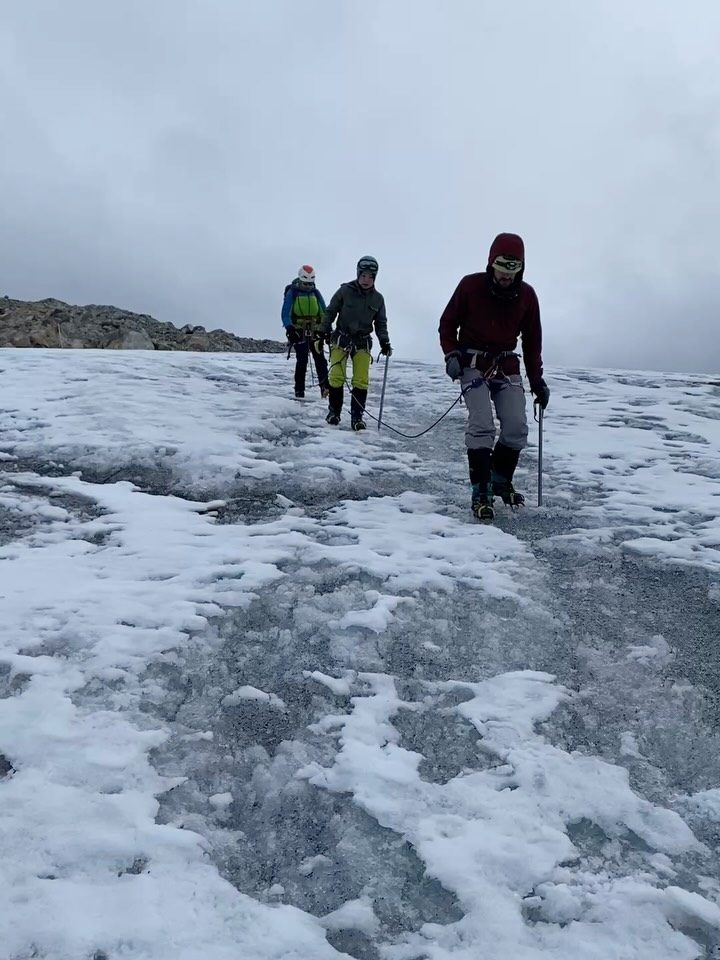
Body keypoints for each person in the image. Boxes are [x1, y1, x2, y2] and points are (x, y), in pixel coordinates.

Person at [438, 232, 550, 520]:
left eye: (513, 269)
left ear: (521, 268)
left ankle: (500, 478)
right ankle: (481, 489)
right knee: (482, 424)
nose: (506, 275)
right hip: (472, 362)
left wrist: (536, 381)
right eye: (502, 266)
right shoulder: (470, 286)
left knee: (515, 428)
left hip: (506, 365)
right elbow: (447, 323)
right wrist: (451, 354)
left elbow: (532, 342)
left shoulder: (527, 296)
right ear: (491, 263)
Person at [322, 256, 392, 431]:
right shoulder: (345, 291)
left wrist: (384, 341)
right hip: (341, 339)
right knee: (336, 377)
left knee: (361, 380)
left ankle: (357, 418)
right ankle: (334, 413)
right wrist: (323, 329)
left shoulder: (378, 299)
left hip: (362, 343)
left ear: (374, 277)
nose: (366, 280)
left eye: (370, 276)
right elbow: (330, 311)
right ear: (358, 274)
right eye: (363, 276)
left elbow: (381, 323)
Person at [281, 265, 329, 399]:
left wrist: (325, 328)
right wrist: (290, 328)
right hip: (298, 331)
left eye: (310, 283)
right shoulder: (293, 293)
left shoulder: (316, 293)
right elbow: (285, 313)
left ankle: (325, 388)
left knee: (320, 360)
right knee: (302, 360)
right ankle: (299, 391)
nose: (308, 286)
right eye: (306, 283)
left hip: (315, 330)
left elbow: (324, 312)